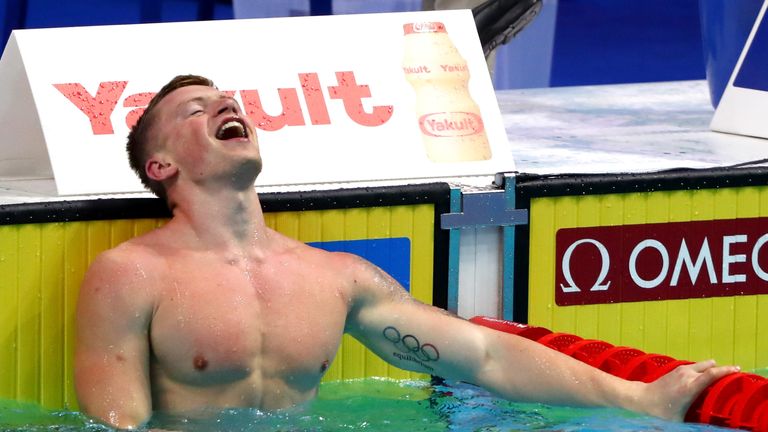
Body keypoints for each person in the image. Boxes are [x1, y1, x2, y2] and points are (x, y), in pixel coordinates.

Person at [74, 75, 738, 429]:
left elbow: (484, 355)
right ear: (160, 165)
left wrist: (637, 398)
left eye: (226, 98)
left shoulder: (333, 278)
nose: (225, 101)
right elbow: (115, 426)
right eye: (196, 108)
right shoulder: (132, 275)